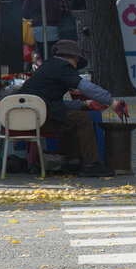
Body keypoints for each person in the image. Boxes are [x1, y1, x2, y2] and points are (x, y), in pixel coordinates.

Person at [17, 39, 120, 177]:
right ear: (73, 57)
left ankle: (73, 161)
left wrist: (85, 104)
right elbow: (86, 87)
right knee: (82, 118)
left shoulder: (48, 66)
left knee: (73, 116)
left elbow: (51, 103)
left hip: (26, 116)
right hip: (37, 118)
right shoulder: (62, 67)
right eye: (76, 62)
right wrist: (112, 102)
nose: (75, 67)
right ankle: (91, 164)